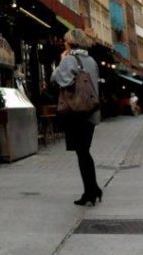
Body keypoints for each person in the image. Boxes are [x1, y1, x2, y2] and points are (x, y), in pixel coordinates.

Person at [51, 28, 102, 206]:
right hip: (91, 111)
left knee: (82, 153)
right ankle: (93, 189)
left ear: (70, 43)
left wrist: (61, 61)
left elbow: (56, 79)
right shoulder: (91, 60)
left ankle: (90, 192)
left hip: (76, 112)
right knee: (85, 151)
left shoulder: (70, 59)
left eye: (65, 41)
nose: (64, 44)